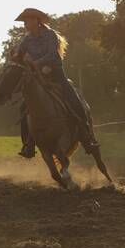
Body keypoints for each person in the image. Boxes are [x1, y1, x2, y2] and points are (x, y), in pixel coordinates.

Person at [11, 8, 99, 158]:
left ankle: (88, 139)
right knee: (24, 109)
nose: (25, 24)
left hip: (57, 75)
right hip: (39, 78)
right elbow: (19, 54)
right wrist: (15, 57)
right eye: (24, 21)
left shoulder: (50, 35)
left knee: (75, 102)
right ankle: (28, 145)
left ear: (36, 21)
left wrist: (35, 63)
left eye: (27, 21)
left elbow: (52, 55)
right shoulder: (26, 39)